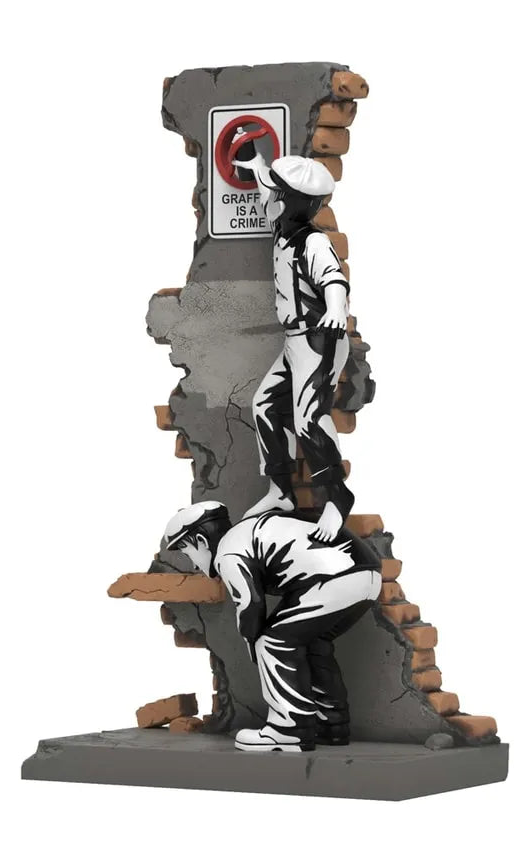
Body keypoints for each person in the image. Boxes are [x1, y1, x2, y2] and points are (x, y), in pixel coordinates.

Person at [164, 501, 382, 752]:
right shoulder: (246, 531)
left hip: (335, 577)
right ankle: (332, 726)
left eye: (187, 553)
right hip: (367, 576)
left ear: (202, 541)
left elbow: (249, 603)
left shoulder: (227, 552)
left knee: (273, 642)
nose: (193, 565)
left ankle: (289, 729)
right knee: (312, 643)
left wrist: (252, 640)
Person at [232, 145, 355, 543]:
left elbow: (334, 280)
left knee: (309, 420)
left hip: (319, 339)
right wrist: (257, 165)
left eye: (278, 195)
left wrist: (335, 309)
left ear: (294, 204)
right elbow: (266, 187)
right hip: (294, 341)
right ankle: (281, 490)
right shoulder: (283, 229)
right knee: (265, 405)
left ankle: (336, 498)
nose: (270, 199)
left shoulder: (312, 242)